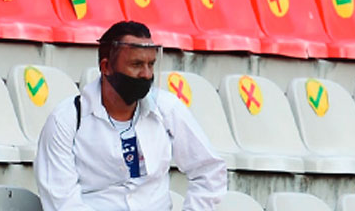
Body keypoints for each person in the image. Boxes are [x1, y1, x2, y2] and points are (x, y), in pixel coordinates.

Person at [35, 21, 226, 211]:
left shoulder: (167, 109)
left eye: (151, 64)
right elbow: (62, 202)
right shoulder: (66, 120)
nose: (146, 74)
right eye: (136, 64)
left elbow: (209, 169)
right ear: (106, 66)